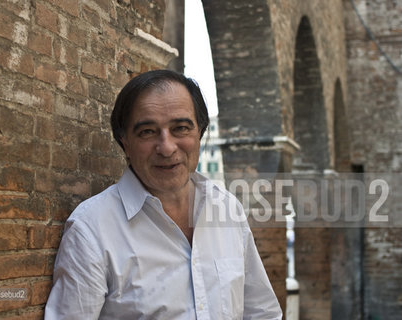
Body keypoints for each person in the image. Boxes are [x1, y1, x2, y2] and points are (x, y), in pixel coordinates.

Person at [45, 70, 282, 319]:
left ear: (200, 134)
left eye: (180, 128)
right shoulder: (91, 229)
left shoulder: (227, 210)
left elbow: (262, 313)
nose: (167, 147)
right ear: (124, 141)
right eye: (147, 132)